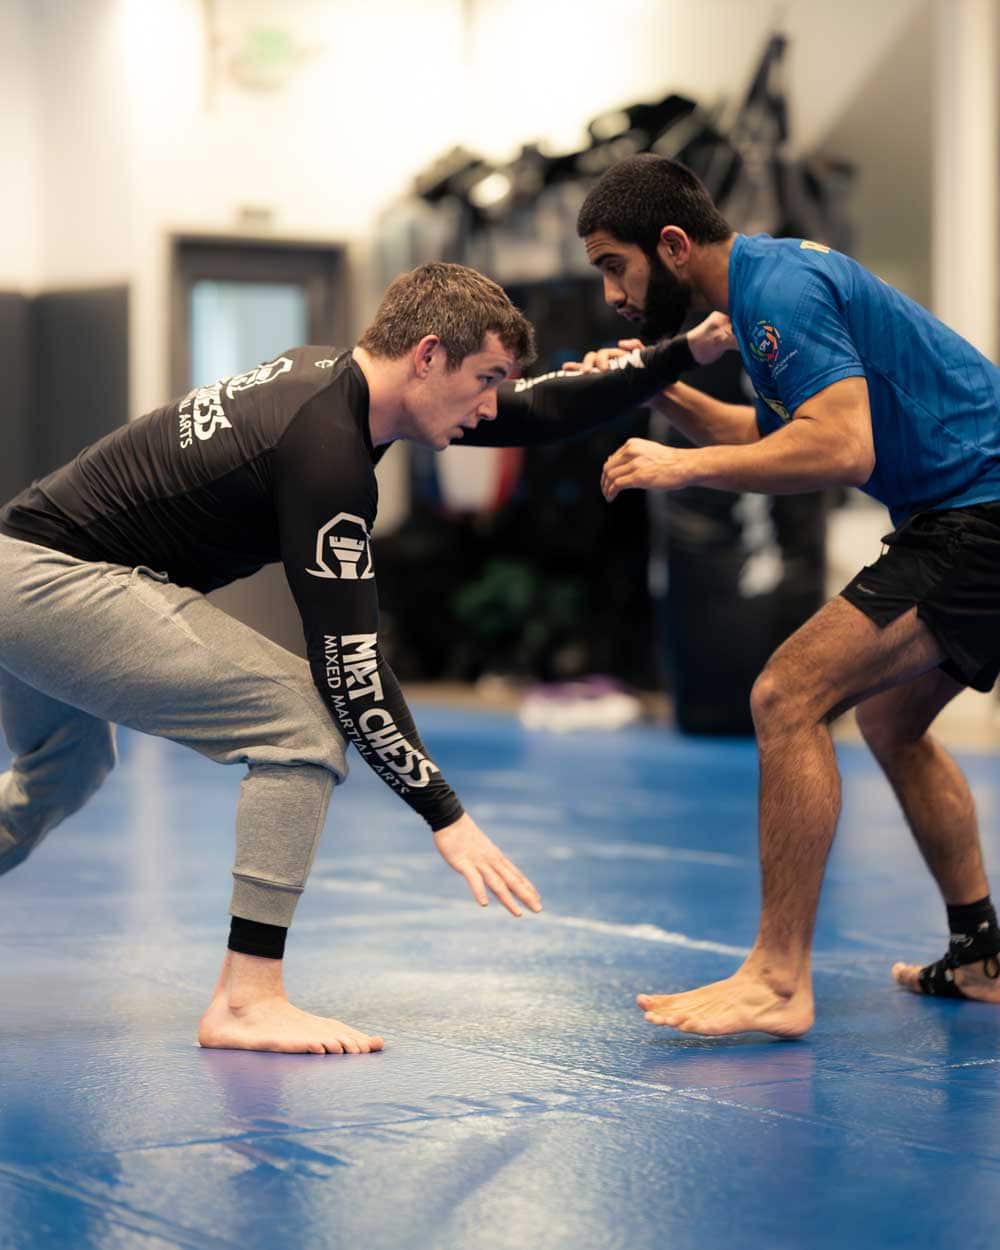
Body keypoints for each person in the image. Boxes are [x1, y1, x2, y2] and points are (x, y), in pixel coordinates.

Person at [0, 260, 729, 1055]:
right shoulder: (327, 454)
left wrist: (680, 355)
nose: (489, 405)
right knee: (299, 723)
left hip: (19, 566)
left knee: (68, 767)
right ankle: (247, 1000)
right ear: (426, 356)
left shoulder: (337, 378)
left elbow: (536, 410)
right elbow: (347, 667)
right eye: (483, 378)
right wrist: (445, 815)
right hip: (49, 583)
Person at [575, 152, 1000, 1038]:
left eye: (615, 265)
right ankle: (982, 953)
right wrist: (662, 391)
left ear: (674, 244)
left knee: (787, 692)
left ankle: (777, 977)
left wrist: (681, 468)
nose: (613, 292)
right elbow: (770, 434)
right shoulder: (764, 290)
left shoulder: (782, 291)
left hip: (980, 515)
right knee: (888, 721)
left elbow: (838, 451)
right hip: (960, 515)